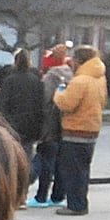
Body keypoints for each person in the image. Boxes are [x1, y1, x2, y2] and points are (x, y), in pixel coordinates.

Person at [53, 45, 107, 216]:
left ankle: (75, 205)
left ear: (78, 60)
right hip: (91, 129)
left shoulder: (80, 80)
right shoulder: (100, 78)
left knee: (72, 170)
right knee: (83, 169)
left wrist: (58, 92)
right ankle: (81, 202)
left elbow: (66, 104)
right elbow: (103, 101)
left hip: (75, 130)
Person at [0, 48, 44, 189]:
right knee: (26, 157)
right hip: (30, 125)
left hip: (12, 125)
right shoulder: (36, 79)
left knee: (10, 159)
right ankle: (23, 189)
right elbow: (40, 103)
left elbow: (3, 105)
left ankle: (13, 188)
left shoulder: (10, 80)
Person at [31, 54, 73, 208]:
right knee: (61, 162)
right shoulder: (71, 75)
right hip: (66, 125)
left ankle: (41, 197)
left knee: (45, 159)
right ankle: (58, 196)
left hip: (50, 124)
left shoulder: (51, 77)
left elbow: (45, 100)